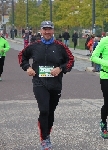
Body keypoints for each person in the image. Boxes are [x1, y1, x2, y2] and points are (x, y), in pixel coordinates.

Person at [18, 20, 74, 150]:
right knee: (44, 110)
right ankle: (45, 138)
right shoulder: (34, 45)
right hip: (39, 83)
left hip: (55, 84)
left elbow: (70, 60)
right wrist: (27, 68)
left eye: (49, 29)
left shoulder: (60, 46)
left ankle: (46, 132)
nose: (47, 32)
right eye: (45, 29)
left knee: (50, 112)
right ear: (41, 31)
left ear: (53, 30)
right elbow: (22, 56)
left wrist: (61, 69)